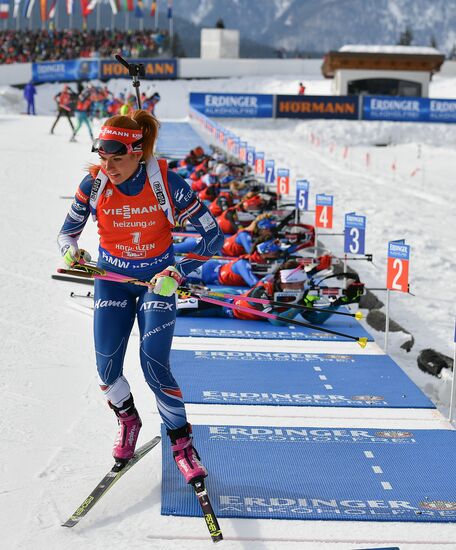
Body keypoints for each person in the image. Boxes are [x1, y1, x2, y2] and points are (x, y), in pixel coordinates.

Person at [57, 109, 224, 484]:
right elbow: (66, 235)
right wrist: (70, 252)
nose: (109, 167)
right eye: (104, 158)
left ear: (138, 152)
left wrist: (176, 272)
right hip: (112, 280)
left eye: (118, 158)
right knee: (107, 371)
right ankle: (128, 420)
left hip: (156, 282)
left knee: (154, 364)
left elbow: (213, 237)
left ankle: (182, 445)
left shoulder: (167, 182)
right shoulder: (94, 183)